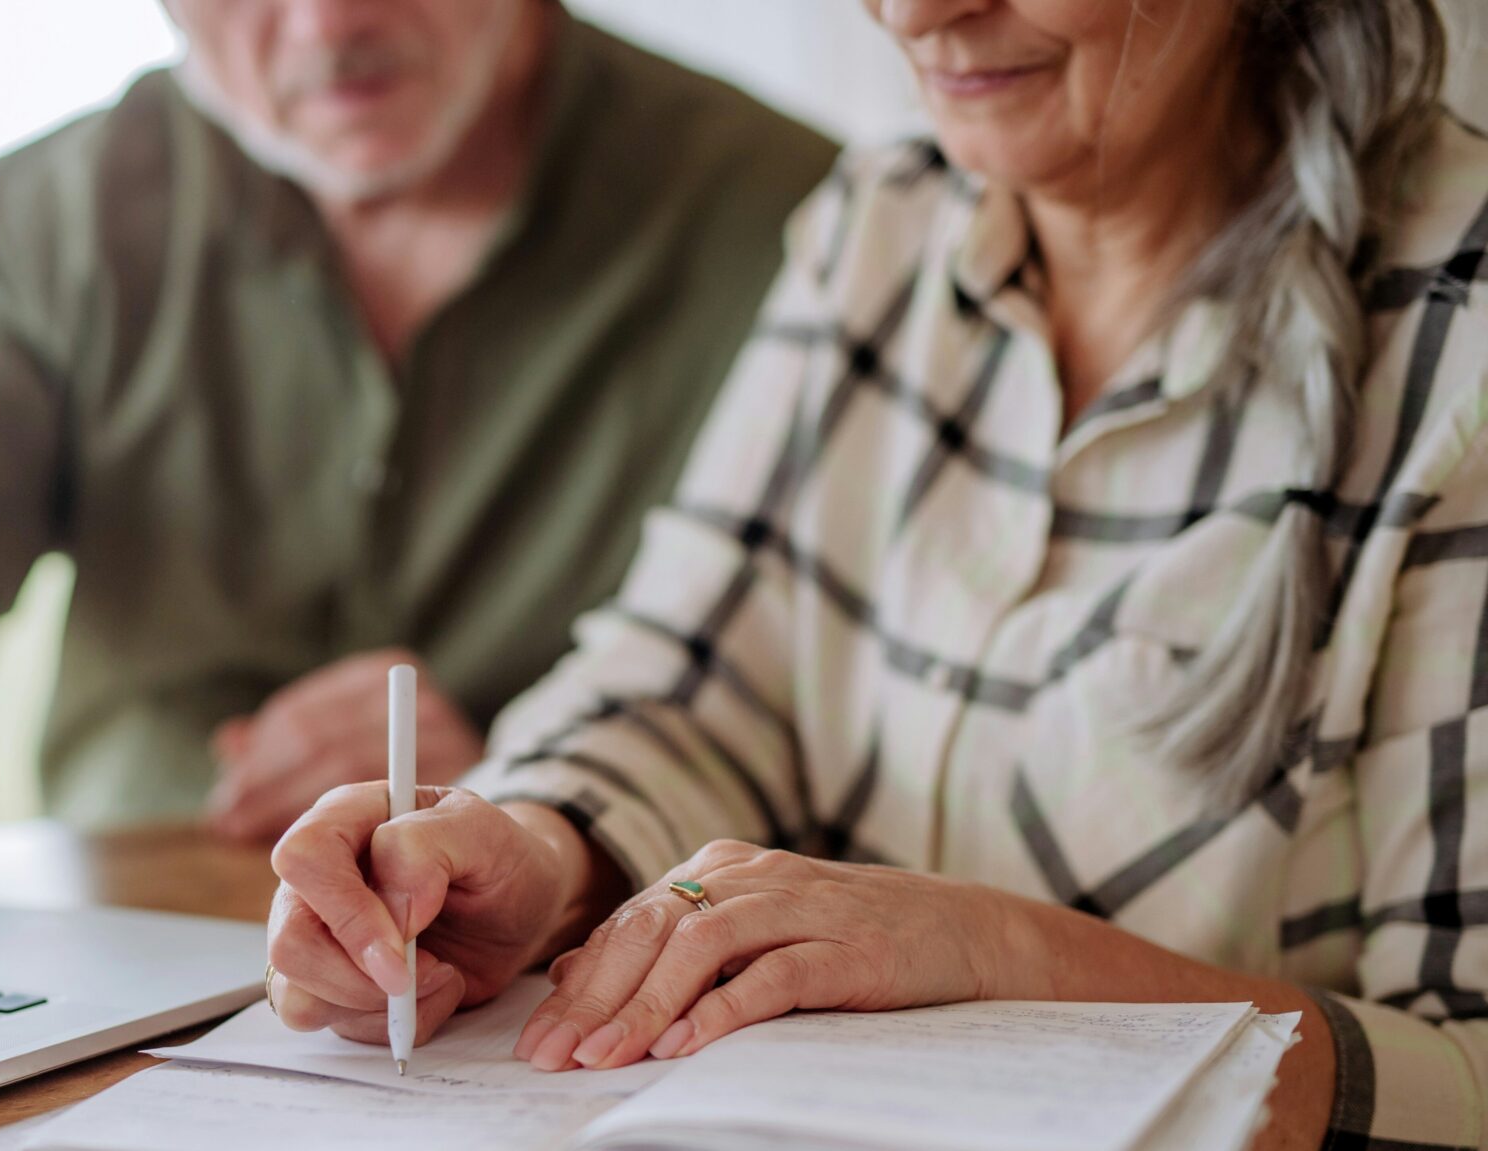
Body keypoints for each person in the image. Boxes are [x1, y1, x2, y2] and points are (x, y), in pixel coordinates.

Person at [265, 1, 1488, 1148]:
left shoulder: (1459, 333)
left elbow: (1467, 1077)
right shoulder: (881, 218)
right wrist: (530, 855)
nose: (912, 11)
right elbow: (684, 682)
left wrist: (996, 949)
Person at [0, 0, 835, 971]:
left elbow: (846, 732)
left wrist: (532, 774)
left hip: (559, 984)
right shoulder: (57, 214)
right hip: (105, 973)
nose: (326, 24)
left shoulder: (802, 223)